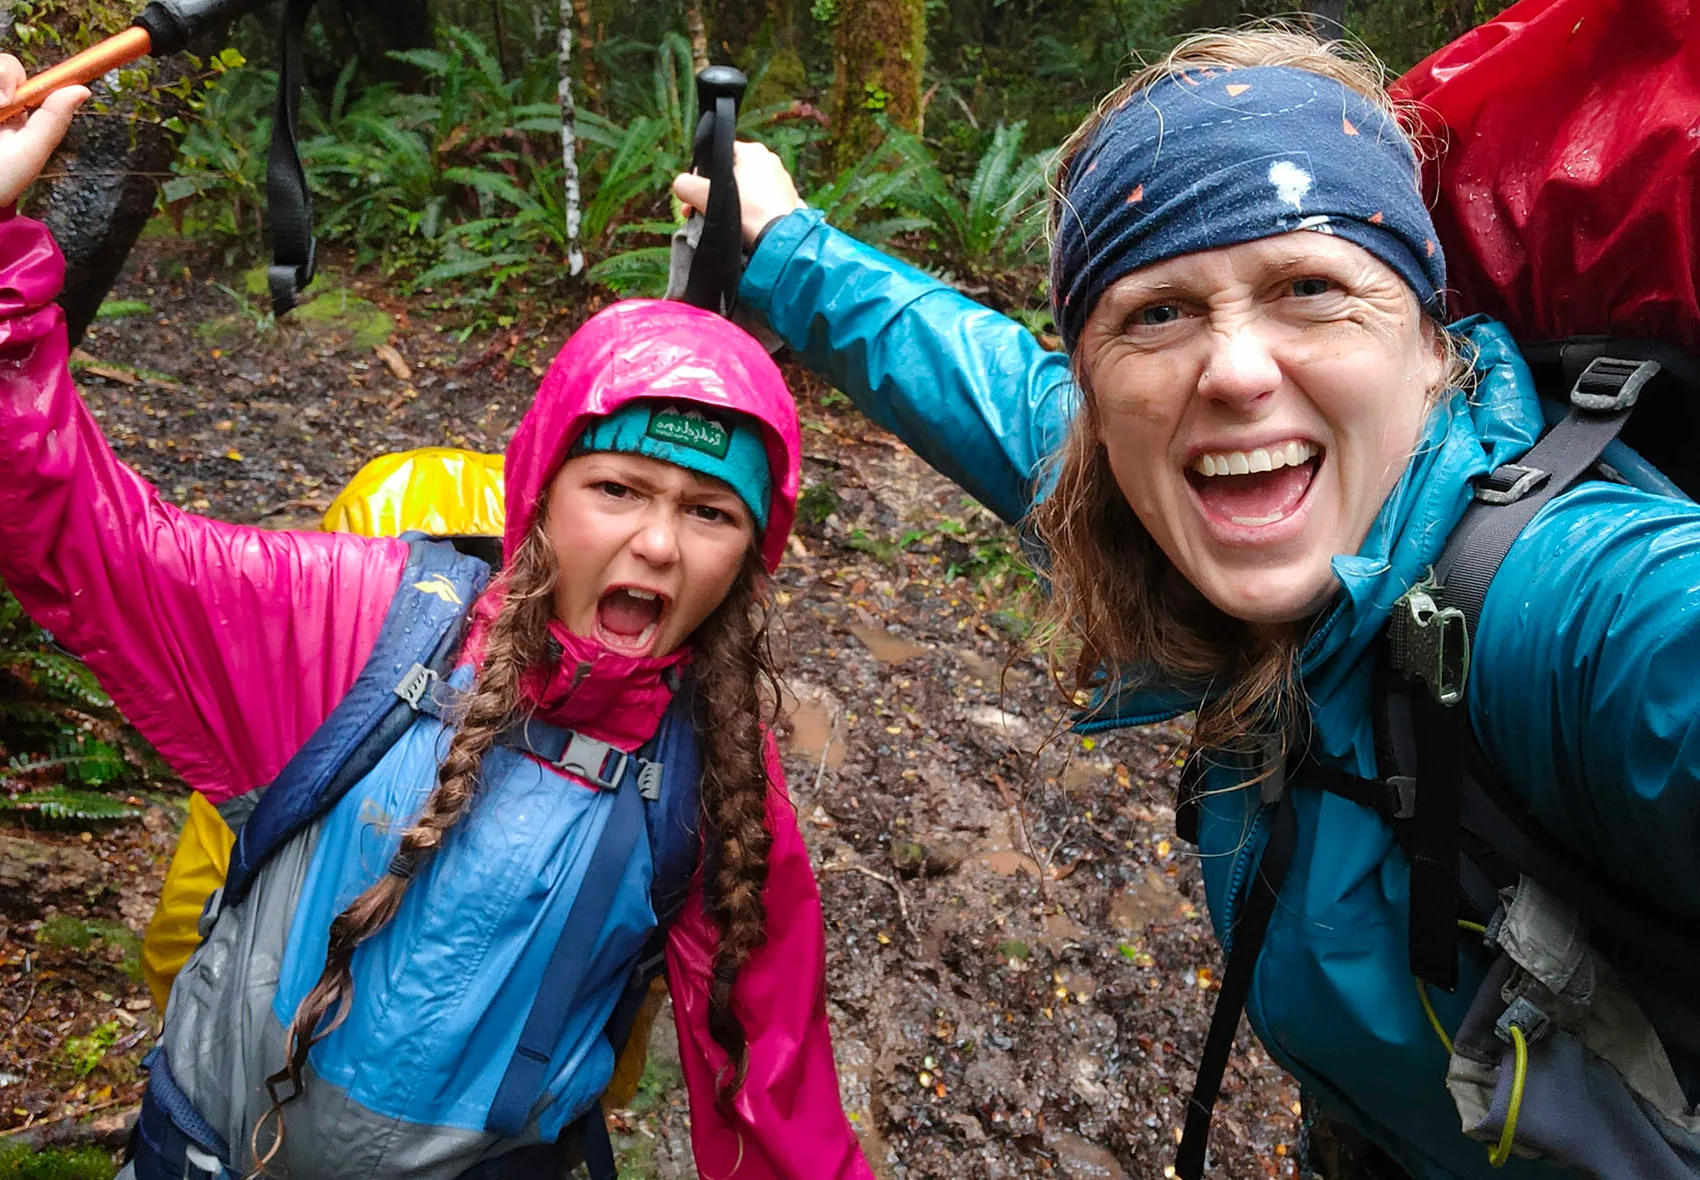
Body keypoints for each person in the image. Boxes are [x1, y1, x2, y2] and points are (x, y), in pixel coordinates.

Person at [674, 25, 1700, 1180]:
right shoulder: (1181, 495)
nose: (1234, 371)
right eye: (1155, 312)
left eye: (1311, 289)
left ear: (1433, 343)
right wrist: (778, 244)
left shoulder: (1569, 611)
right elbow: (990, 387)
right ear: (1102, 397)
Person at [0, 56, 875, 1180]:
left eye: (709, 512)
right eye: (617, 489)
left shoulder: (720, 790)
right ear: (536, 490)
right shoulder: (361, 630)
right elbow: (90, 543)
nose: (657, 543)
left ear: (753, 554)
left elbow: (779, 1108)